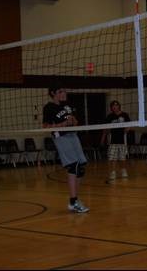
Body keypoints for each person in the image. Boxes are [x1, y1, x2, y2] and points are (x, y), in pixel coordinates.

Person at [43, 84, 89, 213]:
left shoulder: (68, 106)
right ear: (53, 93)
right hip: (61, 137)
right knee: (73, 166)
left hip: (73, 135)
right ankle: (74, 201)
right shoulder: (49, 107)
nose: (64, 93)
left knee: (81, 168)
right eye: (60, 91)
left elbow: (76, 122)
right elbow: (45, 126)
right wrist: (62, 124)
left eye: (64, 91)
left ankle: (73, 200)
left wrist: (73, 121)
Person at [101, 100, 131, 181]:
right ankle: (113, 172)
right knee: (112, 158)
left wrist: (127, 129)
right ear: (111, 108)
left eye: (116, 105)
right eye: (113, 106)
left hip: (122, 140)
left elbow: (129, 125)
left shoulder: (124, 115)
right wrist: (103, 138)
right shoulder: (110, 116)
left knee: (122, 158)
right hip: (112, 140)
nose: (114, 107)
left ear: (119, 106)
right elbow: (105, 128)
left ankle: (123, 171)